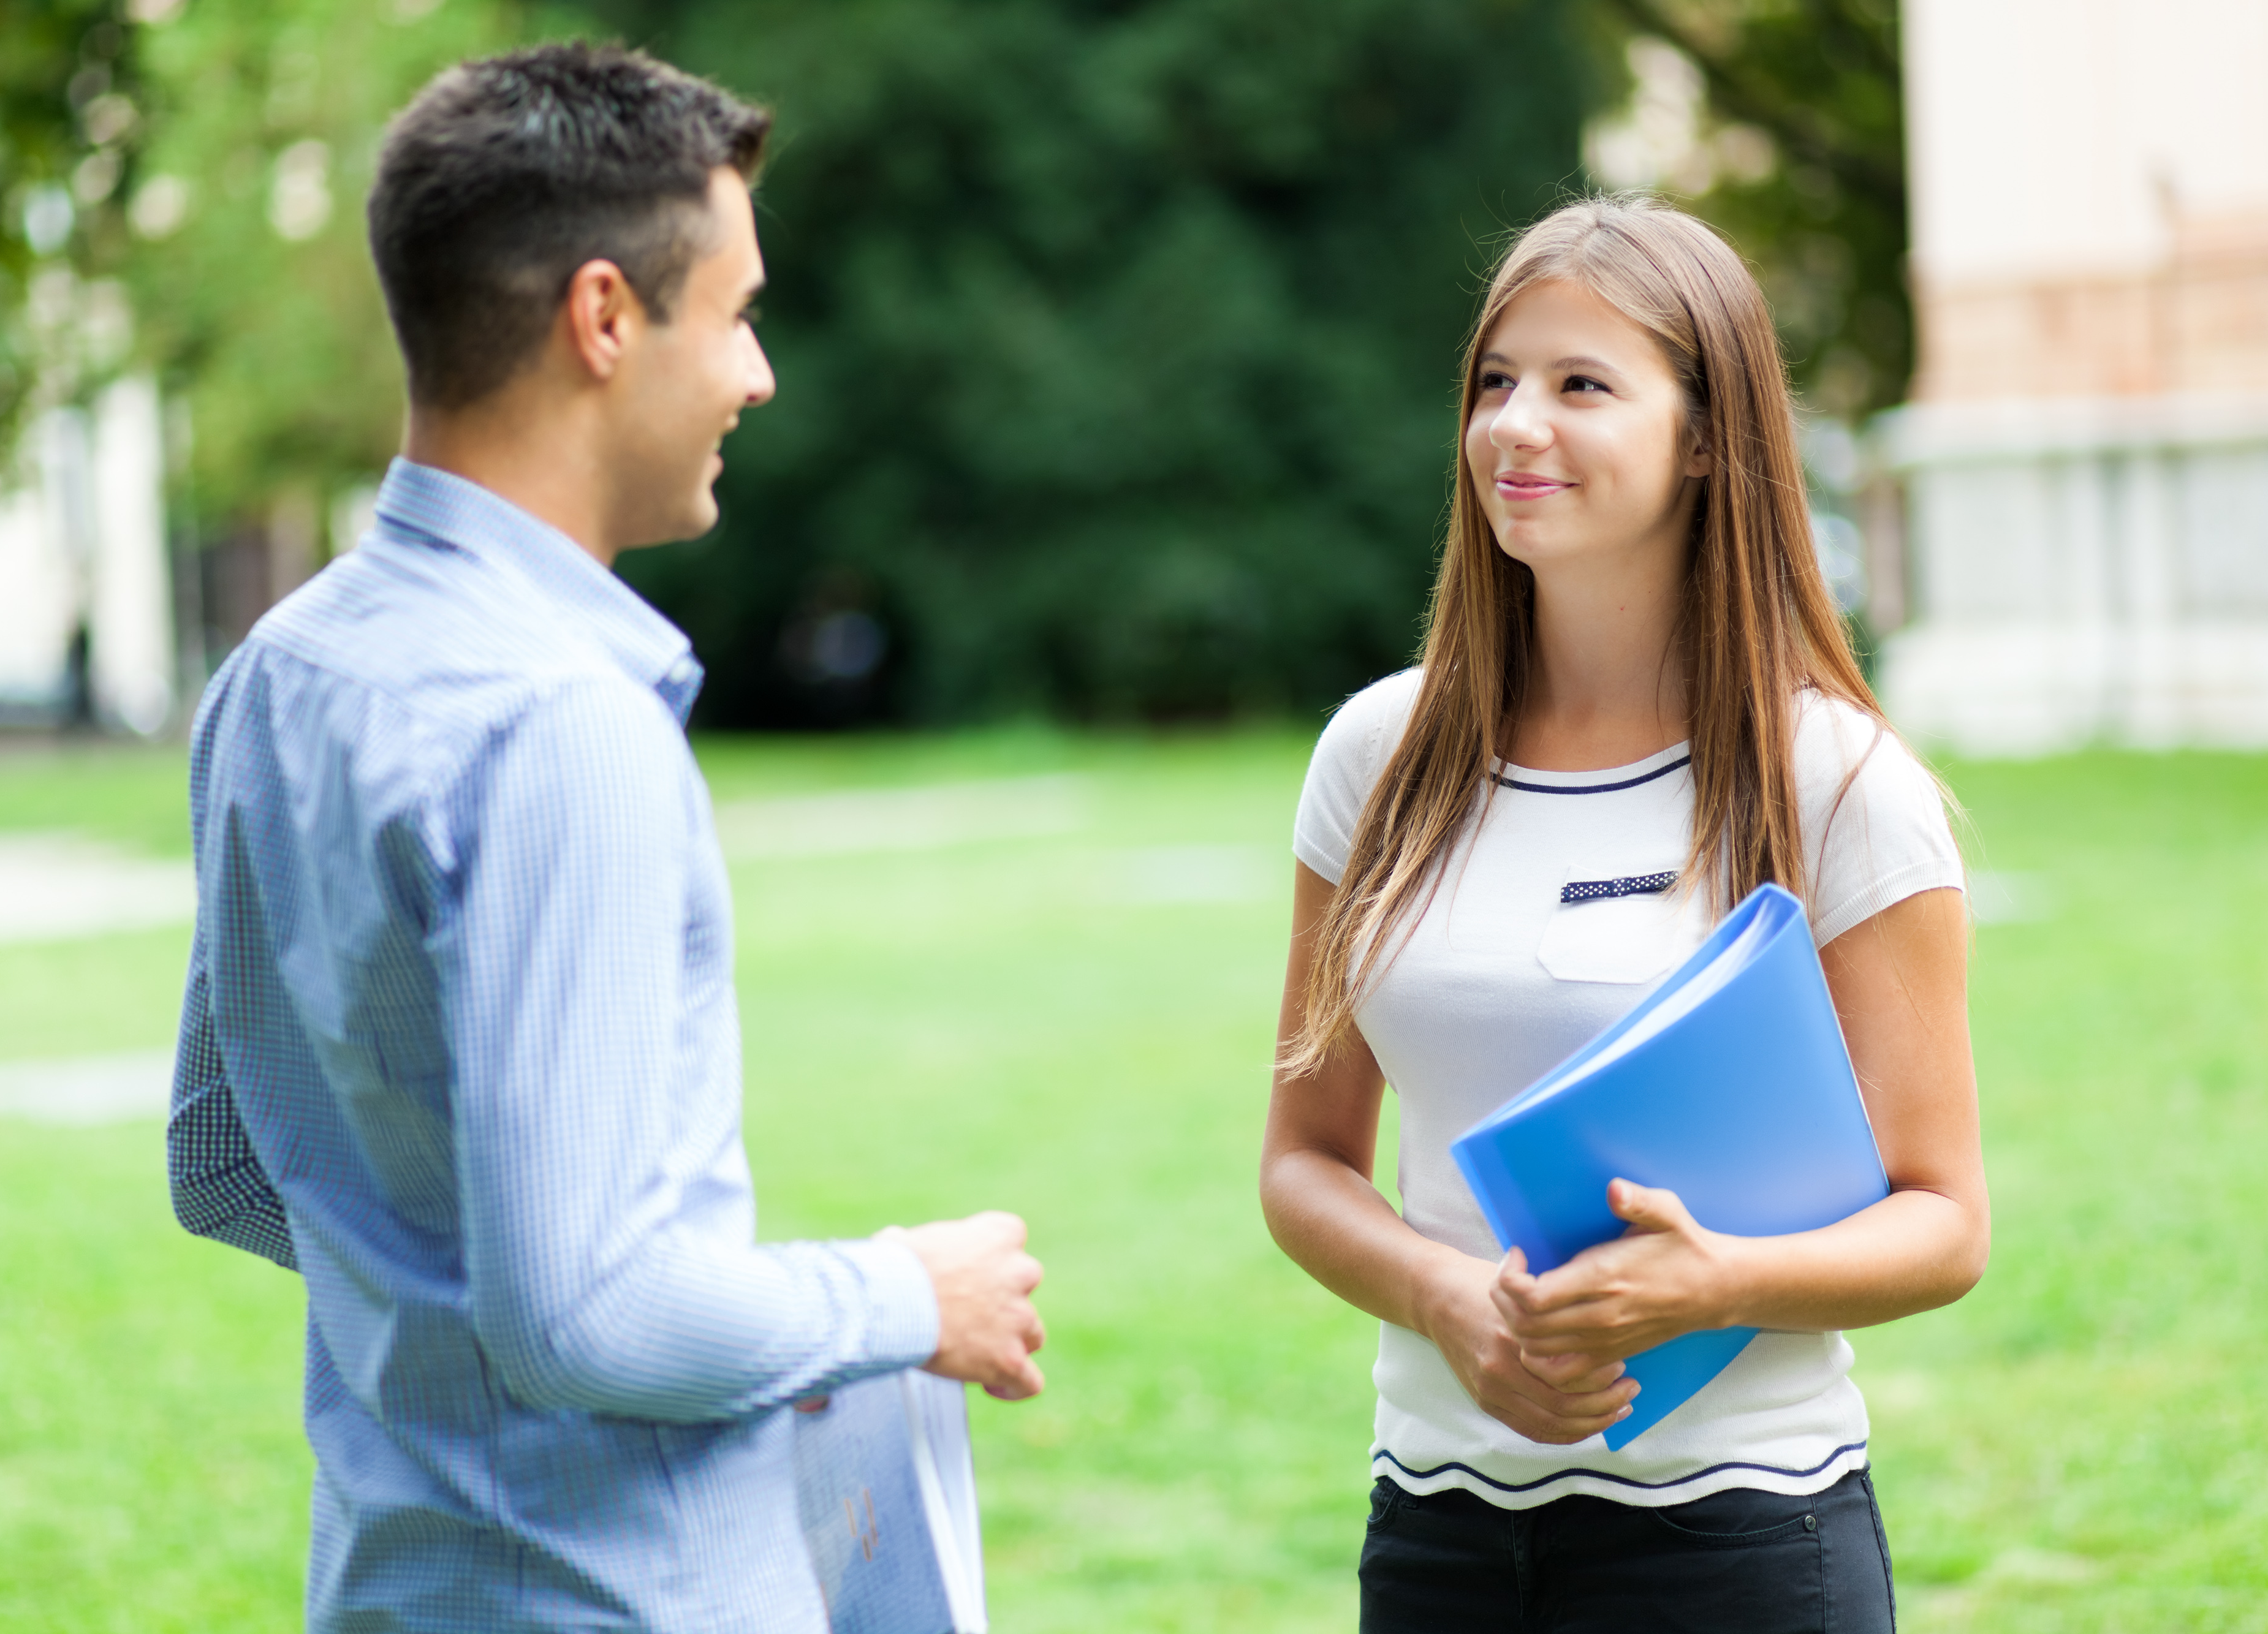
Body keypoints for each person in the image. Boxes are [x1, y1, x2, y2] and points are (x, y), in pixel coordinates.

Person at [165, 43, 1046, 1633]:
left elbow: (226, 1159)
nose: (758, 373)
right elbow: (583, 1309)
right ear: (603, 318)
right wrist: (908, 1294)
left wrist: (488, 1311)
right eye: (739, 311)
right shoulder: (566, 726)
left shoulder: (270, 679)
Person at [1259, 196, 1984, 1632]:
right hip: (1435, 1539)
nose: (1514, 426)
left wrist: (1715, 1281)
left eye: (1581, 384)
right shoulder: (1374, 753)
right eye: (1493, 380)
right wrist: (1445, 1298)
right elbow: (1302, 1161)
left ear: (1706, 434)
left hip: (1741, 1543)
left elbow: (1943, 1221)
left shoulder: (1832, 779)